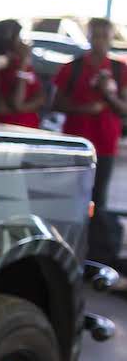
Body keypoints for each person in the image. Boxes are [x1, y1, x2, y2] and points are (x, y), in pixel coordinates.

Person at [53, 17, 127, 263]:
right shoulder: (72, 68)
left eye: (105, 36)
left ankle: (94, 253)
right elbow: (56, 103)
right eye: (96, 36)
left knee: (98, 199)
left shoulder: (119, 70)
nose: (100, 41)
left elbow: (123, 109)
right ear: (89, 37)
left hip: (104, 143)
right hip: (76, 142)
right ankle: (67, 249)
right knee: (71, 196)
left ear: (111, 38)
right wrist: (84, 108)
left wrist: (108, 94)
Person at [0, 19, 47, 127]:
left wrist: (22, 107)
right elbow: (12, 104)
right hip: (5, 129)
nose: (23, 43)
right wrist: (22, 65)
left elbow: (41, 98)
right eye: (19, 37)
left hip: (29, 129)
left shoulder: (24, 66)